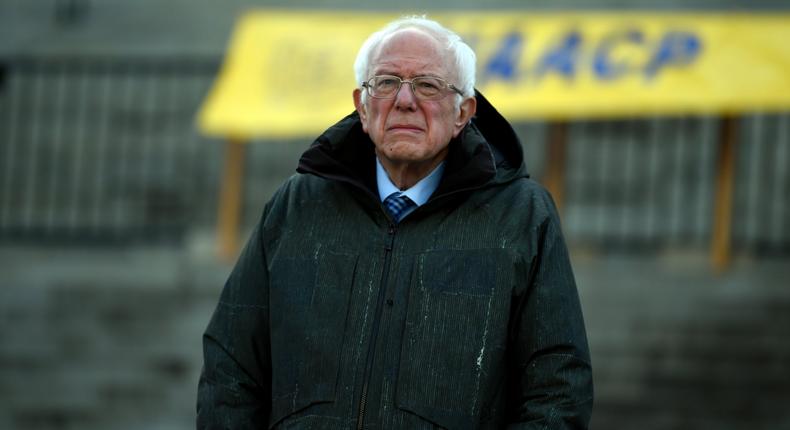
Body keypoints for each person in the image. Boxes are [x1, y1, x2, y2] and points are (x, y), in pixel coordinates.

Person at [197, 16, 593, 429]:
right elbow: (231, 369)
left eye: (427, 85)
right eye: (385, 83)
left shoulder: (522, 217)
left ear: (464, 112)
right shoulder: (296, 207)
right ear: (362, 107)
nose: (404, 100)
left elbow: (557, 389)